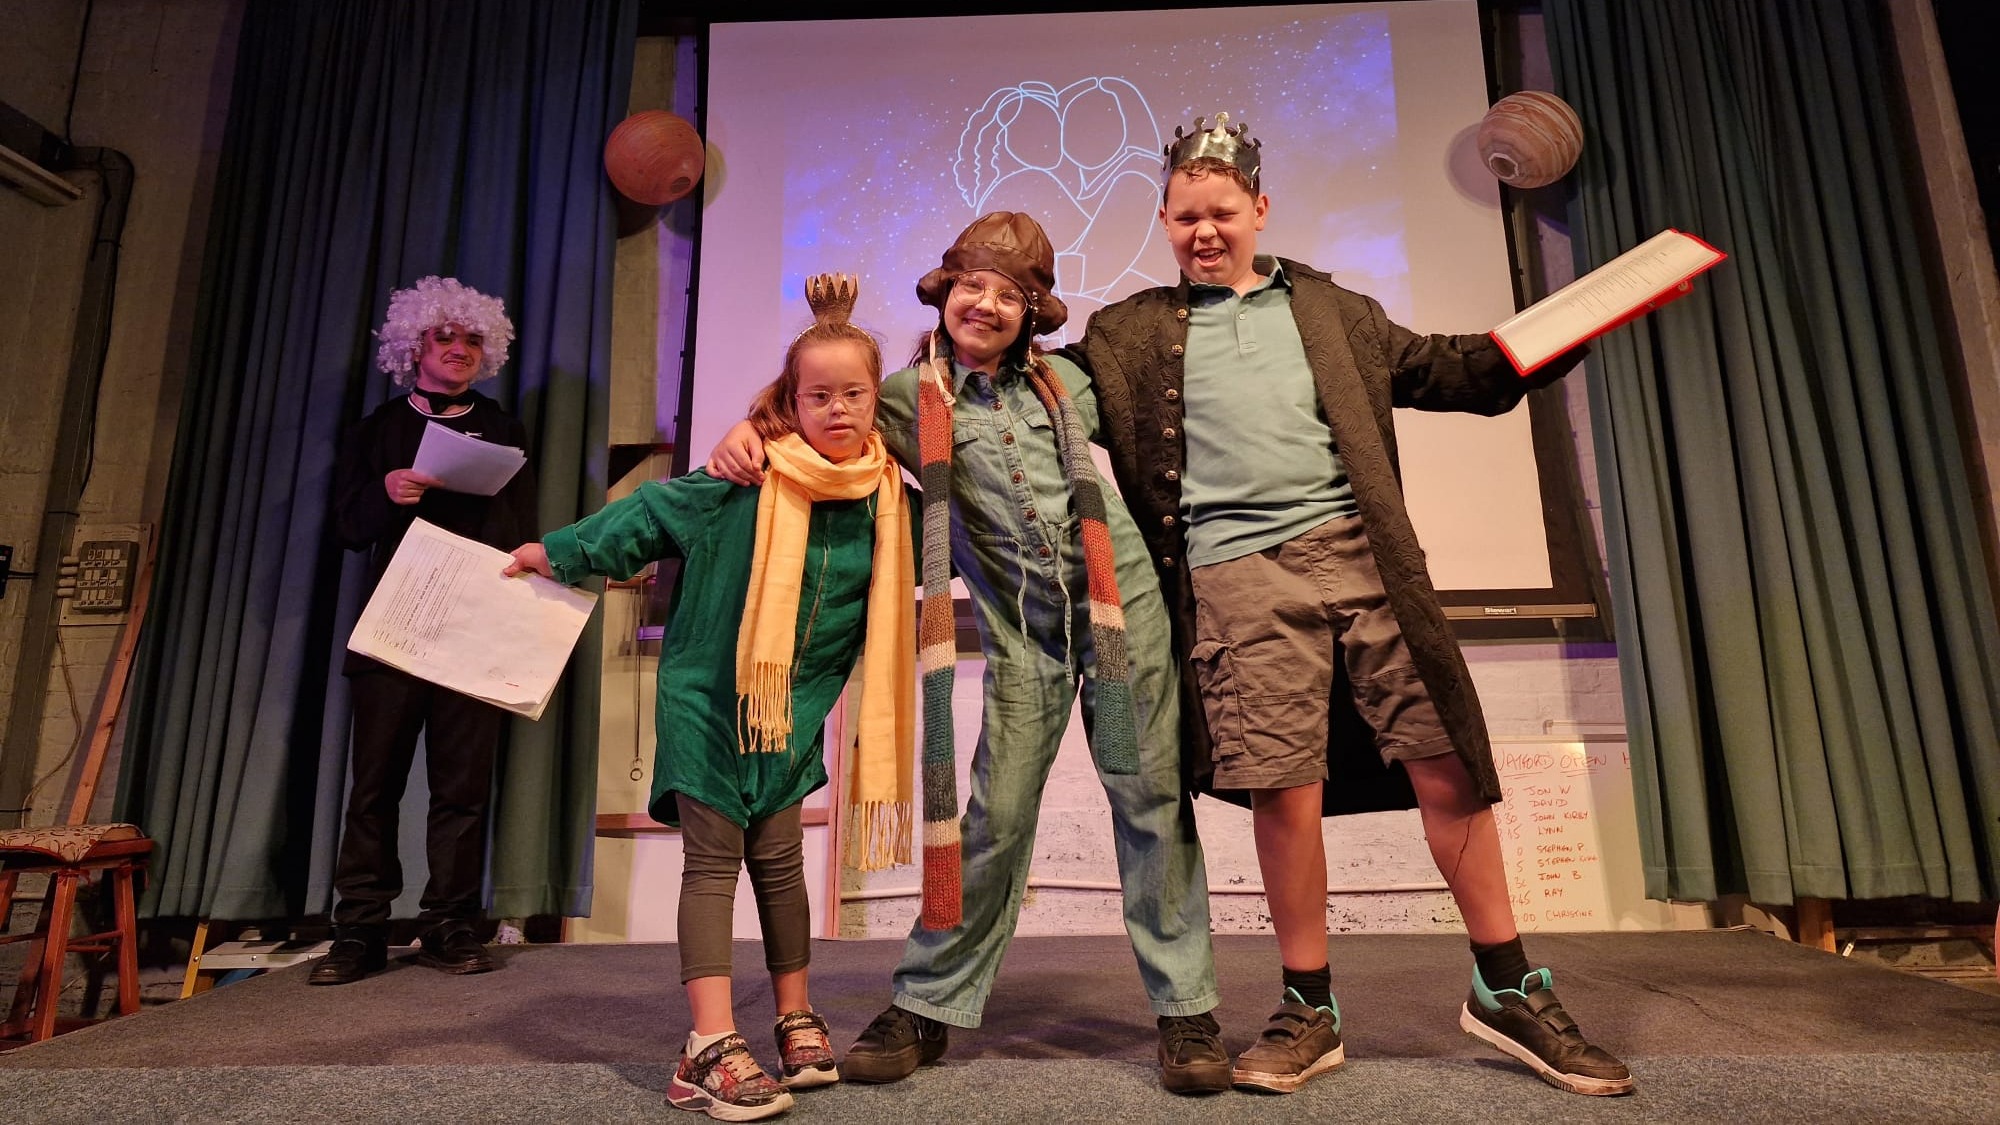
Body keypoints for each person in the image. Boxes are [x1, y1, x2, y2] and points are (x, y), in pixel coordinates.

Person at [1061, 113, 1634, 1097]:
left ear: (1258, 210)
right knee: (1283, 787)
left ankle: (1505, 986)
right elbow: (1047, 401)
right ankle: (1307, 1009)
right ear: (1163, 218)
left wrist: (1576, 319)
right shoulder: (1127, 334)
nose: (1203, 231)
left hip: (1366, 563)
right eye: (1184, 216)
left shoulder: (1332, 312)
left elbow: (1463, 371)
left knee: (1444, 764)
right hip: (1234, 577)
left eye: (1221, 212)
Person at [708, 214, 1229, 1095]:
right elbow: (818, 402)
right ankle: (928, 1000)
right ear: (944, 292)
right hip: (1024, 638)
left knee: (1152, 807)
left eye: (1010, 293)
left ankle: (1186, 1010)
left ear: (1033, 312)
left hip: (1121, 619)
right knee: (991, 819)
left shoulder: (1071, 380)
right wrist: (749, 429)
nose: (985, 303)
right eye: (971, 285)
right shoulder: (908, 398)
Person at [507, 276, 914, 1121]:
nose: (837, 409)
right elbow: (647, 514)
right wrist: (552, 551)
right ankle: (707, 1045)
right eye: (818, 395)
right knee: (713, 862)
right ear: (790, 401)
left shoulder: (887, 497)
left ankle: (795, 1013)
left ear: (878, 398)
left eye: (854, 394)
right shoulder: (744, 476)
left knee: (781, 860)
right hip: (707, 698)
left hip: (792, 710)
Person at [314, 276, 535, 986]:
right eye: (446, 337)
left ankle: (449, 923)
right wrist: (386, 492)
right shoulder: (378, 429)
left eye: (474, 339)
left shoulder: (502, 426)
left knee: (463, 787)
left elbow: (519, 527)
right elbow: (348, 528)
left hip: (472, 624)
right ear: (415, 345)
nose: (461, 350)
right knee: (372, 786)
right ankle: (360, 931)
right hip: (398, 624)